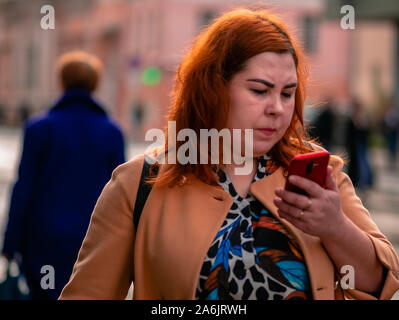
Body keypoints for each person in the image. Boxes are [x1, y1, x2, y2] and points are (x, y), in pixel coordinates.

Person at [59, 9, 399, 300]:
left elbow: (380, 283)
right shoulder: (139, 184)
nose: (278, 109)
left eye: (288, 93)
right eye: (260, 90)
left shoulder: (319, 174)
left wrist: (335, 227)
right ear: (212, 89)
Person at [1, 51, 125, 299]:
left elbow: (23, 186)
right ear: (95, 84)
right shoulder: (112, 132)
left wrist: (10, 243)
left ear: (62, 82)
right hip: (94, 238)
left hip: (42, 239)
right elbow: (121, 193)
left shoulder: (39, 127)